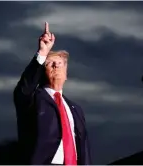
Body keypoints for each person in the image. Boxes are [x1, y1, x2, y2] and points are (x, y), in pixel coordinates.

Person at [13, 22, 92, 165]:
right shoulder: (33, 99)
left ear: (66, 74)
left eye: (60, 64)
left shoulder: (76, 109)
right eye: (50, 64)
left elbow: (84, 148)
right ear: (42, 73)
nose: (56, 66)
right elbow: (24, 89)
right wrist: (42, 53)